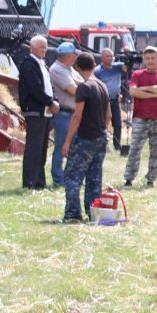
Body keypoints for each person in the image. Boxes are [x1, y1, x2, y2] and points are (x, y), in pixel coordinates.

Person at [59, 51, 109, 223]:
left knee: (72, 175)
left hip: (86, 138)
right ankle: (94, 212)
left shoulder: (84, 87)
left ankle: (73, 214)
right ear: (94, 65)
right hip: (101, 137)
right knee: (95, 177)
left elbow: (77, 116)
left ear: (77, 67)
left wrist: (67, 142)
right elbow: (108, 115)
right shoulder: (102, 85)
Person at [123, 45, 157, 188]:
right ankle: (129, 178)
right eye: (147, 58)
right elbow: (133, 92)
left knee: (156, 150)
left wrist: (144, 89)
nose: (150, 61)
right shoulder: (137, 74)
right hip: (141, 118)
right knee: (134, 149)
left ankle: (151, 179)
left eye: (153, 58)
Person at [13, 34, 54, 189]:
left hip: (45, 110)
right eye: (41, 47)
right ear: (33, 47)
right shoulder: (29, 64)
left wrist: (53, 100)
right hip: (35, 110)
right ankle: (29, 182)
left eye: (46, 47)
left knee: (42, 148)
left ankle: (39, 182)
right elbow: (35, 88)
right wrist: (50, 101)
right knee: (34, 148)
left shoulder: (43, 64)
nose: (45, 50)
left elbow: (48, 86)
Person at [48, 41, 81, 187]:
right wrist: (84, 87)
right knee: (62, 147)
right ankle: (58, 179)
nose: (76, 58)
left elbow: (81, 83)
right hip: (64, 114)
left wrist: (80, 85)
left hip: (72, 113)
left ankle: (69, 176)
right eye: (74, 55)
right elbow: (72, 90)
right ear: (68, 56)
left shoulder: (68, 68)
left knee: (73, 147)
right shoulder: (57, 70)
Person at [95, 47, 126, 153]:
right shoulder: (98, 71)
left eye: (111, 56)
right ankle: (102, 144)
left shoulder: (117, 67)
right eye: (107, 56)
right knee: (103, 123)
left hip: (115, 100)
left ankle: (117, 146)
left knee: (117, 124)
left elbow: (126, 67)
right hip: (103, 101)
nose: (110, 58)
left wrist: (127, 56)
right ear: (102, 58)